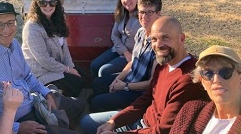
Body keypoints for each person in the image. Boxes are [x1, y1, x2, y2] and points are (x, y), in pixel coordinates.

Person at [80, 16, 209, 134]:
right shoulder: (163, 64)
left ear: (181, 38)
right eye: (154, 39)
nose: (158, 45)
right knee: (86, 122)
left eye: (166, 37)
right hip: (142, 121)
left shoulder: (187, 79)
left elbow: (163, 130)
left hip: (149, 129)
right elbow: (146, 99)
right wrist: (114, 121)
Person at [0, 1, 84, 133]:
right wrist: (16, 127)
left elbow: (27, 76)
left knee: (80, 105)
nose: (7, 30)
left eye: (11, 23)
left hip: (35, 102)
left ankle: (60, 126)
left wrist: (47, 93)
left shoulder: (14, 44)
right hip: (17, 120)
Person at [88, 0, 161, 112]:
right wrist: (118, 78)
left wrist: (124, 86)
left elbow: (151, 83)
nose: (144, 17)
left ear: (158, 14)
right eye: (141, 12)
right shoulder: (141, 32)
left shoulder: (159, 44)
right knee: (96, 84)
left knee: (96, 103)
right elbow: (133, 61)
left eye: (149, 12)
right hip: (130, 78)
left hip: (138, 92)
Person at [22, 0, 84, 97]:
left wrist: (71, 67)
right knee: (76, 82)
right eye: (43, 3)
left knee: (83, 75)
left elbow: (64, 49)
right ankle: (70, 106)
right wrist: (67, 70)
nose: (48, 6)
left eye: (52, 3)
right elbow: (44, 60)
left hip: (56, 67)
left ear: (56, 4)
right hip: (41, 72)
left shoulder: (56, 21)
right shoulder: (32, 27)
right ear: (37, 5)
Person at [170, 45, 241, 134]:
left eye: (225, 72)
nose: (216, 80)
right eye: (208, 73)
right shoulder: (190, 111)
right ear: (202, 82)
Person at [90, 0, 141, 77]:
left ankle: (109, 89)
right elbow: (114, 35)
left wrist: (130, 55)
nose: (126, 0)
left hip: (133, 54)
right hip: (119, 49)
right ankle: (96, 87)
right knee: (94, 65)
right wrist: (124, 51)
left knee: (104, 71)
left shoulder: (142, 16)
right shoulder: (121, 14)